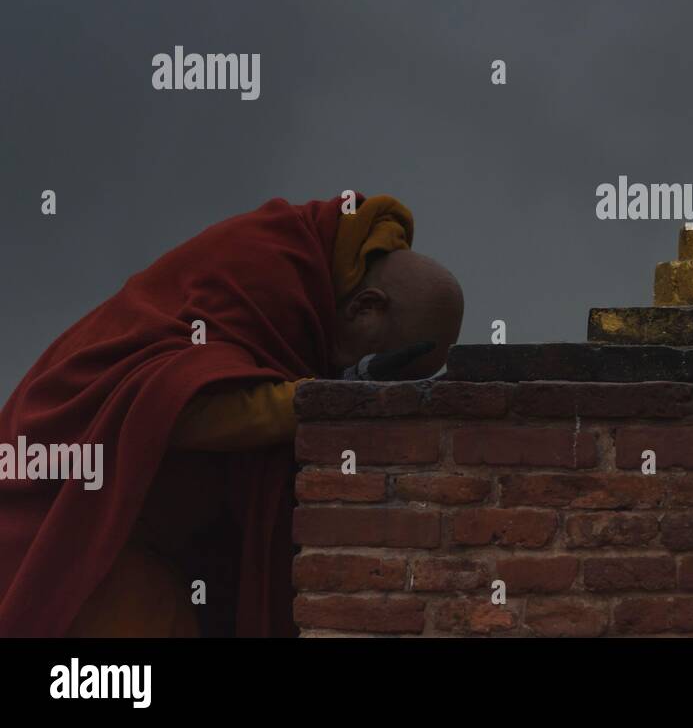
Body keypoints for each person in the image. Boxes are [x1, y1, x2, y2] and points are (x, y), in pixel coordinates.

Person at [0, 193, 463, 636]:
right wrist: (328, 398)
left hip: (160, 557)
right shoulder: (269, 268)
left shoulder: (325, 273)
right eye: (379, 358)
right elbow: (171, 402)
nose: (371, 378)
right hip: (75, 535)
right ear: (366, 306)